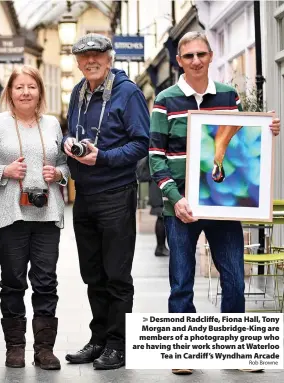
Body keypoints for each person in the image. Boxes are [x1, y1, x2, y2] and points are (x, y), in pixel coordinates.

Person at [148, 31, 281, 376]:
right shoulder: (165, 100)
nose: (195, 61)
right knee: (181, 281)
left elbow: (237, 141)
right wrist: (174, 199)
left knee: (235, 278)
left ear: (210, 56)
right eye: (188, 55)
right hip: (181, 208)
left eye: (201, 55)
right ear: (179, 60)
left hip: (222, 206)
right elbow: (156, 158)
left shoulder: (228, 95)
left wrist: (265, 131)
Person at [63, 34, 150, 370]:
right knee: (92, 273)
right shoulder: (78, 93)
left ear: (110, 58)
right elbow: (71, 130)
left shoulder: (128, 93)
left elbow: (141, 144)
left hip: (116, 194)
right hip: (84, 196)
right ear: (78, 62)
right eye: (84, 57)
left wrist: (103, 158)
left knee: (116, 274)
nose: (91, 61)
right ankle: (98, 338)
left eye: (97, 55)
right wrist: (70, 144)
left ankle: (118, 344)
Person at [0, 65, 69, 371]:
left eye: (31, 87)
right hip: (9, 213)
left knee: (46, 281)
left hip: (47, 214)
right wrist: (2, 172)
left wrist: (57, 173)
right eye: (19, 87)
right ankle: (15, 348)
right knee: (13, 281)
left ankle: (44, 349)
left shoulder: (53, 124)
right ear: (9, 92)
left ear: (40, 92)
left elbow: (65, 165)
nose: (26, 92)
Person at [136, 157, 169, 257]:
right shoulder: (154, 149)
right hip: (158, 184)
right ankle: (160, 247)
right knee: (161, 216)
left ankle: (161, 247)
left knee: (161, 216)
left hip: (154, 184)